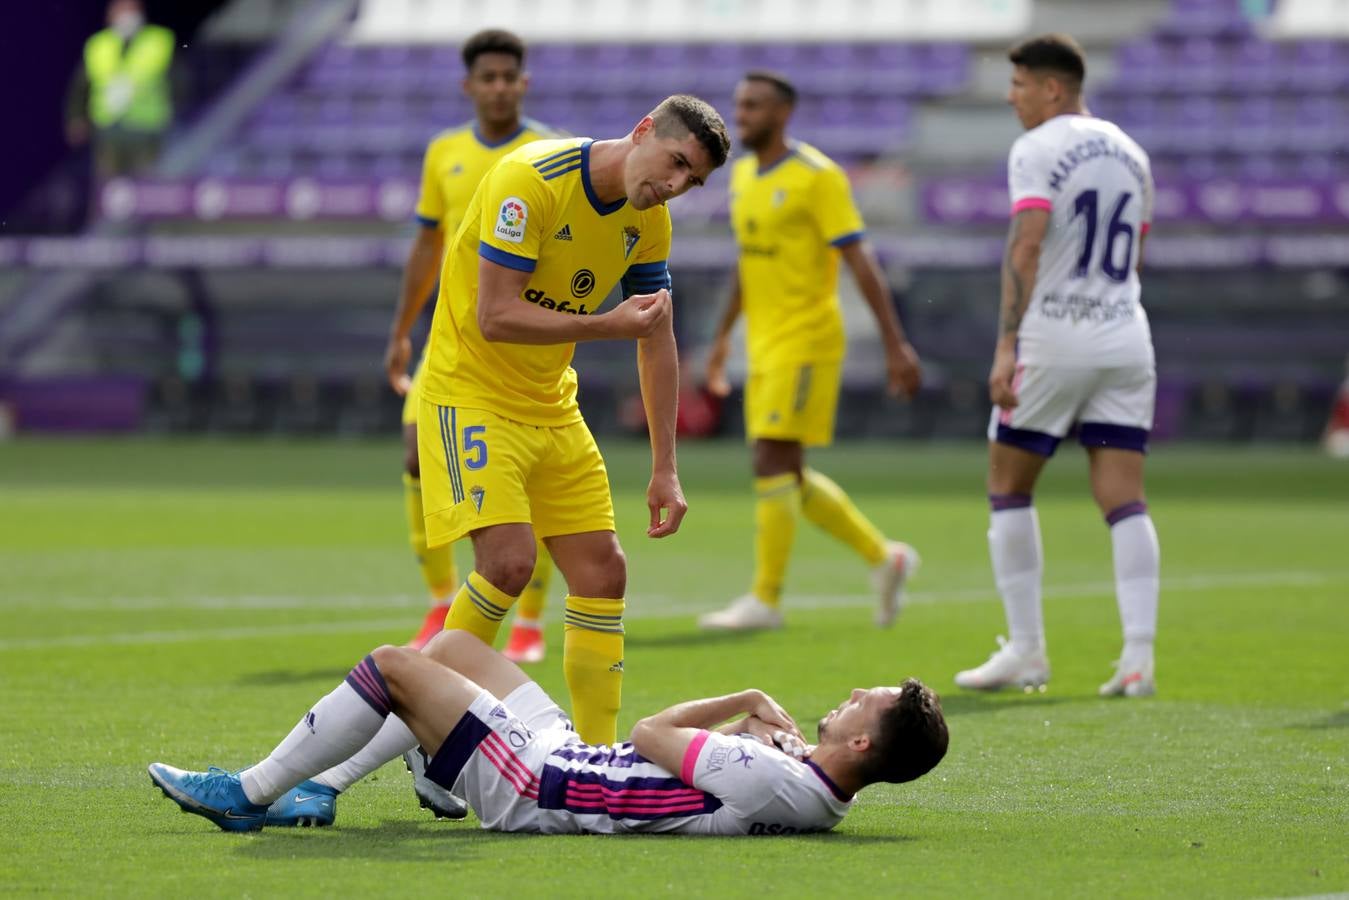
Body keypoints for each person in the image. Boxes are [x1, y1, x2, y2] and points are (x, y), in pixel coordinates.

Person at [411, 95, 728, 749]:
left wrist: (665, 467)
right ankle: (427, 730)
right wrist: (605, 324)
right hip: (469, 392)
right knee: (506, 563)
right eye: (673, 163)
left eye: (690, 181)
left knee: (602, 571)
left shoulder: (649, 221)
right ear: (642, 129)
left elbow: (656, 335)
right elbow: (495, 316)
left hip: (550, 402)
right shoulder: (530, 181)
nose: (672, 186)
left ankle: (596, 760)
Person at [147, 630, 949, 834]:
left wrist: (743, 696)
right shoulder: (805, 784)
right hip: (568, 763)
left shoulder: (776, 779)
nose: (850, 694)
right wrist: (759, 733)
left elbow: (648, 732)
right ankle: (327, 786)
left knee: (395, 667)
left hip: (540, 783)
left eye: (863, 703)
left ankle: (252, 794)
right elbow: (713, 775)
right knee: (454, 649)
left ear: (861, 748)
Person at [953, 34, 1161, 697]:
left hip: (1053, 337)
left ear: (1051, 88)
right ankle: (1137, 659)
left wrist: (1007, 345)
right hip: (1125, 336)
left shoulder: (1035, 150)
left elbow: (1026, 246)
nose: (1011, 98)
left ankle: (1027, 651)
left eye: (1017, 86)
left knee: (1008, 484)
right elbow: (1137, 252)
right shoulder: (1131, 152)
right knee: (1124, 499)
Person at [700, 71, 924, 632]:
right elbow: (747, 265)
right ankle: (885, 556)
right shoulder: (746, 173)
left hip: (807, 338)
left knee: (770, 459)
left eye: (752, 106)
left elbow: (860, 260)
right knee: (785, 471)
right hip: (765, 340)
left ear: (783, 112)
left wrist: (897, 344)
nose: (741, 115)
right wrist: (724, 334)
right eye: (739, 104)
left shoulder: (818, 177)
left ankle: (765, 600)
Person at [383, 28, 559, 661]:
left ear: (524, 83)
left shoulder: (547, 151)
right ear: (469, 86)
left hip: (519, 342)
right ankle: (438, 604)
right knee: (414, 455)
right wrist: (403, 329)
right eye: (488, 78)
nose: (499, 87)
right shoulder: (445, 152)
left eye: (510, 77)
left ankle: (532, 622)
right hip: (450, 339)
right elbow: (429, 245)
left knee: (528, 478)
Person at [65, 0, 175, 181]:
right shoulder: (98, 45)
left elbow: (177, 81)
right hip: (108, 131)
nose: (127, 16)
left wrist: (177, 110)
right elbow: (80, 86)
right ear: (110, 15)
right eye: (122, 10)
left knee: (145, 188)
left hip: (146, 131)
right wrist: (76, 116)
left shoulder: (159, 42)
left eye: (131, 10)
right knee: (108, 190)